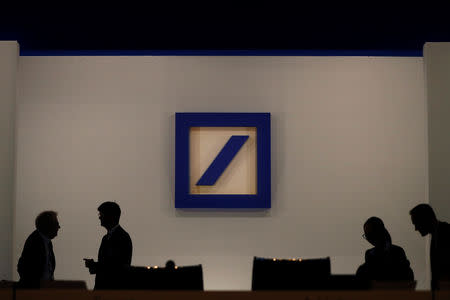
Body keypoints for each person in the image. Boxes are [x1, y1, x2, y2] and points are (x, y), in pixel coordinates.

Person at [84, 202, 132, 289]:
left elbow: (116, 268)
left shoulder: (122, 237)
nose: (99, 217)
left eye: (101, 214)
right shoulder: (106, 238)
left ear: (111, 216)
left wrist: (94, 266)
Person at [356, 217, 414, 281]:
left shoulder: (397, 252)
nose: (368, 238)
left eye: (370, 234)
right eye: (366, 235)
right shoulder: (369, 253)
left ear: (379, 231)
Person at [410, 203, 450, 289]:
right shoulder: (440, 233)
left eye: (416, 223)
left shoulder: (444, 234)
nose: (416, 228)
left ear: (424, 220)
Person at [17, 211, 60, 288]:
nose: (59, 227)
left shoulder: (47, 242)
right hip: (34, 292)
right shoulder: (34, 241)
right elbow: (23, 267)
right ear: (48, 225)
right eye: (56, 224)